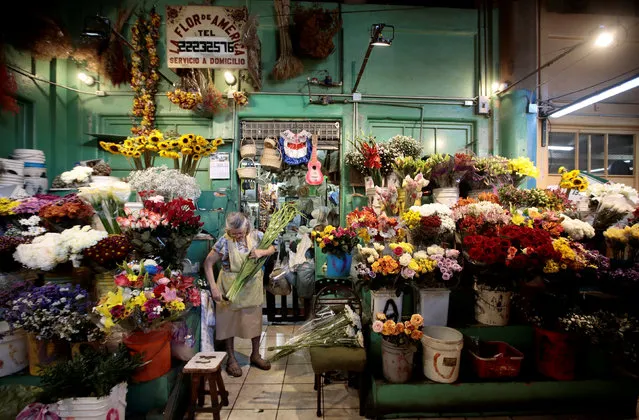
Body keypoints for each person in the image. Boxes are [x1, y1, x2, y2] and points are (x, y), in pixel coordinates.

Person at [203, 212, 277, 377]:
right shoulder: (224, 241)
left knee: (254, 321)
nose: (237, 236)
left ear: (247, 227)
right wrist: (214, 287)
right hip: (229, 288)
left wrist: (261, 252)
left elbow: (274, 247)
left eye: (240, 233)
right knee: (228, 323)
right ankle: (231, 358)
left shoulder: (257, 235)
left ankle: (255, 355)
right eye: (233, 233)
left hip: (252, 287)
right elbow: (208, 263)